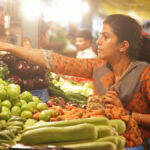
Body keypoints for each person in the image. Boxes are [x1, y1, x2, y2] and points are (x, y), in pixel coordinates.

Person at [0, 14, 150, 144]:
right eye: (100, 36)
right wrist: (9, 47)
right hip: (102, 139)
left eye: (105, 37)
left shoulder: (145, 74)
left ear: (123, 46)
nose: (98, 42)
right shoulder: (98, 66)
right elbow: (55, 61)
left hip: (135, 143)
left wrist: (125, 113)